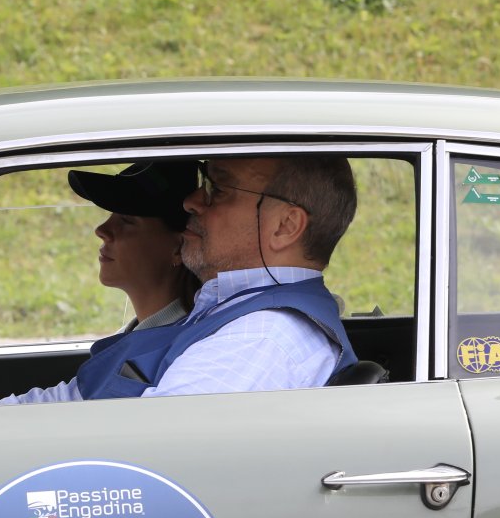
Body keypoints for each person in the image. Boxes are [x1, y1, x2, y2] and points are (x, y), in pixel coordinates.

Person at [111, 153, 358, 399]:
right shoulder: (244, 317)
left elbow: (156, 425)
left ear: (286, 226)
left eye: (218, 189)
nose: (191, 202)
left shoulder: (259, 338)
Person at [0, 160, 199, 405]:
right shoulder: (143, 336)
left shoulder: (175, 353)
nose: (102, 229)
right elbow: (67, 400)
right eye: (112, 216)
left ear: (178, 247)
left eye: (126, 220)